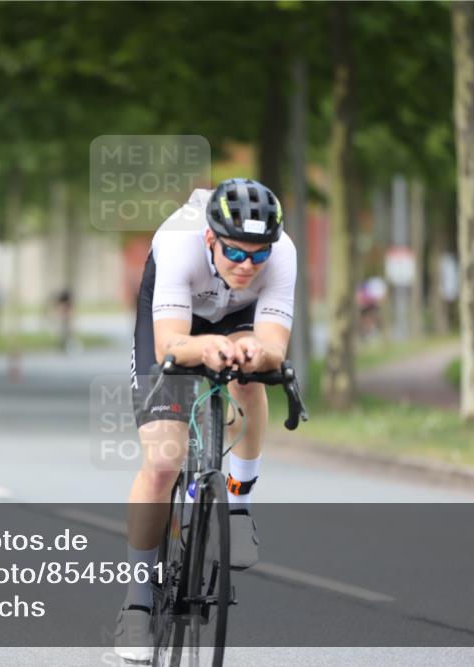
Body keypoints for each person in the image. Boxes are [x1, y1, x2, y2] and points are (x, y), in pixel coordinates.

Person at [114, 178, 296, 661]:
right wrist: (203, 348)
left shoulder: (282, 254)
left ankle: (237, 505)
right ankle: (136, 604)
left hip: (237, 317)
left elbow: (274, 345)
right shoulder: (178, 243)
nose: (247, 265)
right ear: (212, 239)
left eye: (259, 256)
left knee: (248, 378)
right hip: (175, 323)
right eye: (236, 253)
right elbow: (169, 345)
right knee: (161, 462)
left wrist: (255, 352)